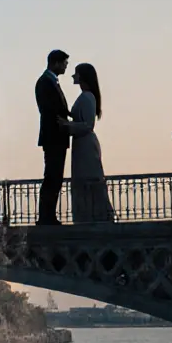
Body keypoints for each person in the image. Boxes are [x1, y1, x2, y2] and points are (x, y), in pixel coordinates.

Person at [59, 62, 114, 223]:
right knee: (84, 179)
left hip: (85, 146)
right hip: (81, 144)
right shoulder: (86, 96)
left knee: (87, 180)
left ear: (82, 77)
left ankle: (93, 216)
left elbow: (88, 124)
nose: (73, 76)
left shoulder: (87, 96)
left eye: (76, 73)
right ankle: (89, 215)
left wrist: (67, 125)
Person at [35, 50, 71, 225]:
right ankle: (46, 216)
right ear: (55, 63)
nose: (65, 66)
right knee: (52, 176)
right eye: (64, 63)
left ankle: (49, 216)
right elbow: (49, 109)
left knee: (55, 176)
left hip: (56, 136)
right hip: (53, 136)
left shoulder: (50, 81)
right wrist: (64, 120)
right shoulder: (45, 82)